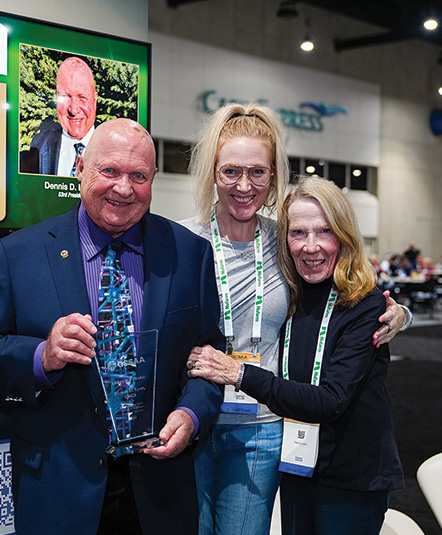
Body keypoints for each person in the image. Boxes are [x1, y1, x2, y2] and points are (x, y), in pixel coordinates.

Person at [0, 118, 225, 534]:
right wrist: (42, 355)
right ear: (81, 166)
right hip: (58, 489)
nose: (124, 188)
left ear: (153, 178)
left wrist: (192, 414)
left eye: (138, 175)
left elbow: (211, 359)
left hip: (159, 492)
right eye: (110, 171)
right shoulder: (21, 253)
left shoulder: (190, 254)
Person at [179, 103, 410, 535]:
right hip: (192, 418)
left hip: (262, 429)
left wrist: (398, 312)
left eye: (258, 173)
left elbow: (345, 288)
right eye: (231, 171)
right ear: (212, 172)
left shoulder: (281, 239)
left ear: (272, 177)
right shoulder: (183, 241)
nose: (244, 185)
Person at [22, 56, 99, 176]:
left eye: (82, 98)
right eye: (65, 96)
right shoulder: (39, 144)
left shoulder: (115, 148)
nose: (73, 110)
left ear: (94, 100)